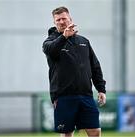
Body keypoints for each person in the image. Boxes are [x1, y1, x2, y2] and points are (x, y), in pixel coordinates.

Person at [42, 6, 106, 137]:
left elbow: (95, 67)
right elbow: (51, 50)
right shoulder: (50, 42)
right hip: (64, 96)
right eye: (58, 19)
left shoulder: (84, 41)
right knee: (67, 134)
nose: (61, 21)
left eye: (64, 18)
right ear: (54, 22)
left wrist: (101, 89)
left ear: (70, 19)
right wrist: (64, 36)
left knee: (95, 131)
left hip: (86, 95)